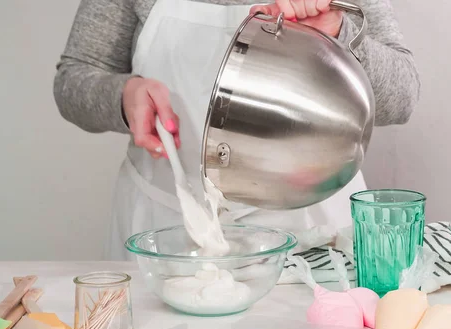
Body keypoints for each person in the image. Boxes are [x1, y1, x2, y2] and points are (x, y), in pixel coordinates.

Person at [53, 0, 420, 260]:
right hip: (165, 230)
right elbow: (73, 79)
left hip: (308, 231)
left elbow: (402, 97)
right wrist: (122, 97)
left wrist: (338, 34)